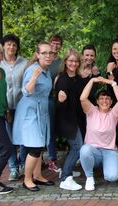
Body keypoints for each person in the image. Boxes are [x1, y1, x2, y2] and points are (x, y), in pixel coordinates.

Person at [13, 41, 55, 192]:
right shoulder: (33, 70)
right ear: (37, 55)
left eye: (50, 53)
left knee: (40, 144)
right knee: (35, 146)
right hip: (30, 112)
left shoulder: (47, 70)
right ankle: (27, 179)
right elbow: (26, 91)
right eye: (44, 53)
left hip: (41, 111)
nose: (48, 56)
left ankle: (37, 175)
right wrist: (34, 77)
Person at [79, 76, 118, 191]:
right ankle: (89, 178)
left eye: (107, 98)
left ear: (111, 101)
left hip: (110, 151)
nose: (105, 101)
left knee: (112, 177)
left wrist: (111, 82)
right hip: (94, 151)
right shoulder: (91, 111)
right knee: (84, 150)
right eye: (102, 98)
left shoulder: (113, 114)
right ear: (97, 102)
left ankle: (107, 166)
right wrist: (91, 81)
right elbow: (83, 98)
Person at [55, 49, 84, 191]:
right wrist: (60, 101)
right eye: (70, 60)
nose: (73, 63)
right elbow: (60, 106)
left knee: (75, 146)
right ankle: (66, 178)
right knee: (78, 146)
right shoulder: (62, 79)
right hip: (66, 120)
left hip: (76, 119)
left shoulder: (77, 79)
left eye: (76, 61)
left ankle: (66, 169)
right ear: (65, 61)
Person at [0, 34, 28, 181]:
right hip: (6, 107)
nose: (11, 47)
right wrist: (4, 108)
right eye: (8, 44)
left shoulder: (24, 63)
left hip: (22, 105)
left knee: (22, 137)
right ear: (4, 46)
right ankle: (13, 168)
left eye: (14, 45)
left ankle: (23, 163)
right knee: (9, 138)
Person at [0, 41, 14, 194]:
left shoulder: (2, 71)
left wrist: (7, 109)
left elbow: (2, 93)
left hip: (0, 114)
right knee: (6, 148)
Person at [47, 34, 63, 172]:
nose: (55, 45)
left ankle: (52, 159)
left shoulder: (61, 63)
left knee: (53, 130)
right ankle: (38, 159)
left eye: (58, 43)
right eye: (53, 42)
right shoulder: (44, 59)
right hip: (42, 99)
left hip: (55, 100)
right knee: (42, 130)